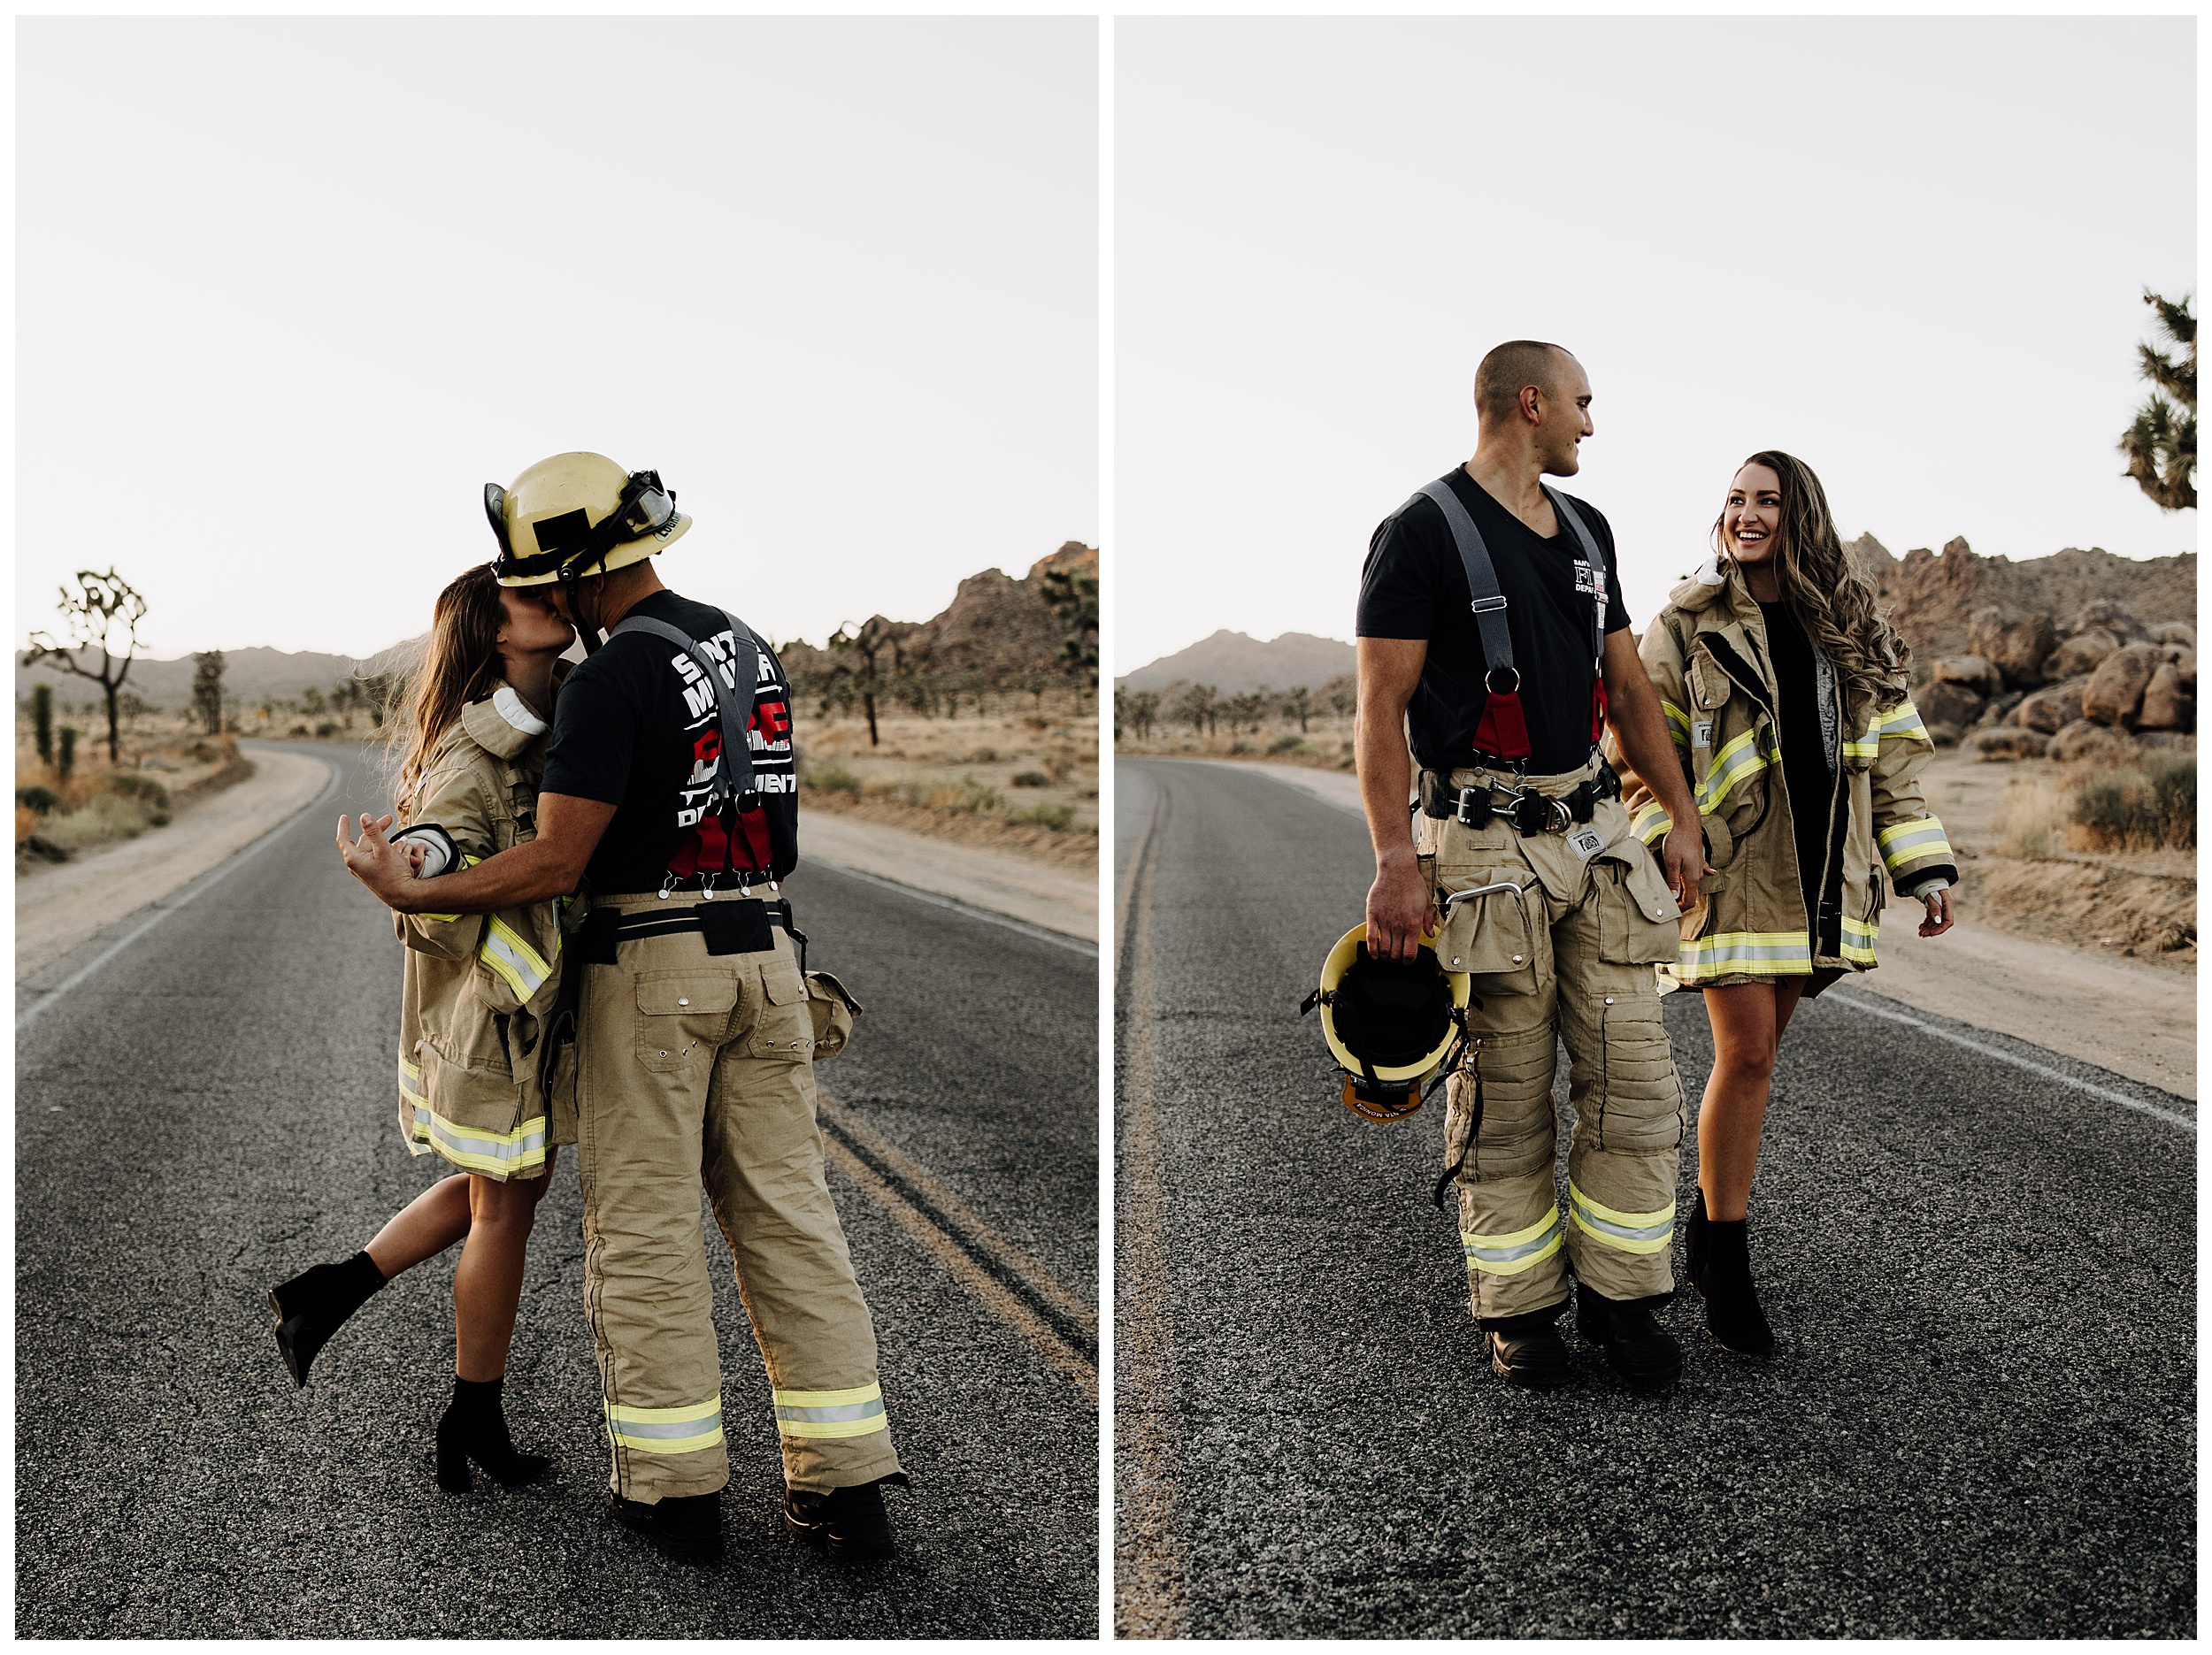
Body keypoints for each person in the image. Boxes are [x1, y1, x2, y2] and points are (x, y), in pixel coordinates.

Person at [336, 453, 902, 1567]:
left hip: (655, 968)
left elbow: (554, 861)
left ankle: (674, 1495)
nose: (542, 595)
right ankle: (849, 1495)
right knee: (792, 1224)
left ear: (583, 562)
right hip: (771, 960)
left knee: (643, 1234)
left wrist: (418, 888)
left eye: (545, 573)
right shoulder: (750, 646)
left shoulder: (608, 679)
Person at [1356, 340, 1711, 1397]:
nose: (1590, 427)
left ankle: (1624, 1296)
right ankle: (1520, 1312)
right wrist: (1391, 856)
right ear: (1529, 403)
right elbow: (1379, 708)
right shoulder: (1417, 532)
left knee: (1634, 1080)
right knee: (1506, 1090)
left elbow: (1630, 688)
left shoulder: (1591, 532)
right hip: (1479, 843)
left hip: (1595, 833)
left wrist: (1679, 814)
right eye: (1581, 405)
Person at [1615, 451, 1955, 1356]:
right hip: (1727, 873)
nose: (1745, 513)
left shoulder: (1849, 627)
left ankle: (1702, 1222)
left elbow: (1891, 771)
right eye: (1734, 498)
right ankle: (1726, 1259)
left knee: (1757, 1065)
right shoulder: (1685, 623)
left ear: (1798, 515)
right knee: (1750, 1052)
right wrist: (1668, 831)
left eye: (1765, 500)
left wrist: (1924, 869)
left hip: (1820, 879)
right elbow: (1636, 747)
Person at [267, 564, 576, 1494]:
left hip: (529, 1016)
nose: (556, 597)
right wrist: (408, 864)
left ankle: (332, 1289)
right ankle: (471, 1412)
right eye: (533, 598)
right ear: (494, 633)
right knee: (505, 1206)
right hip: (495, 1023)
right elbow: (434, 847)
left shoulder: (556, 712)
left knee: (500, 1190)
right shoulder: (471, 756)